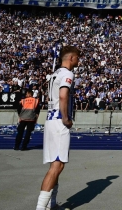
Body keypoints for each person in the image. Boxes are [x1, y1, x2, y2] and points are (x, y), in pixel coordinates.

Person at [36, 46, 80, 210]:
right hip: (58, 120)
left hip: (50, 119)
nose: (78, 61)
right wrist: (66, 118)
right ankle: (41, 207)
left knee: (55, 164)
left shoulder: (54, 74)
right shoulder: (67, 74)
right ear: (71, 58)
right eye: (77, 58)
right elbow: (63, 95)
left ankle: (51, 205)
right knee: (58, 165)